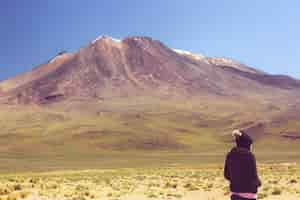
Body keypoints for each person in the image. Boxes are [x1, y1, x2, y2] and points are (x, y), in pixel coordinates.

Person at [224, 129, 261, 200]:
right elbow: (253, 176)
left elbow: (226, 175)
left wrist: (236, 181)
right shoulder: (249, 156)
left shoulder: (230, 155)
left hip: (235, 193)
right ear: (247, 144)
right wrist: (258, 183)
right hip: (249, 194)